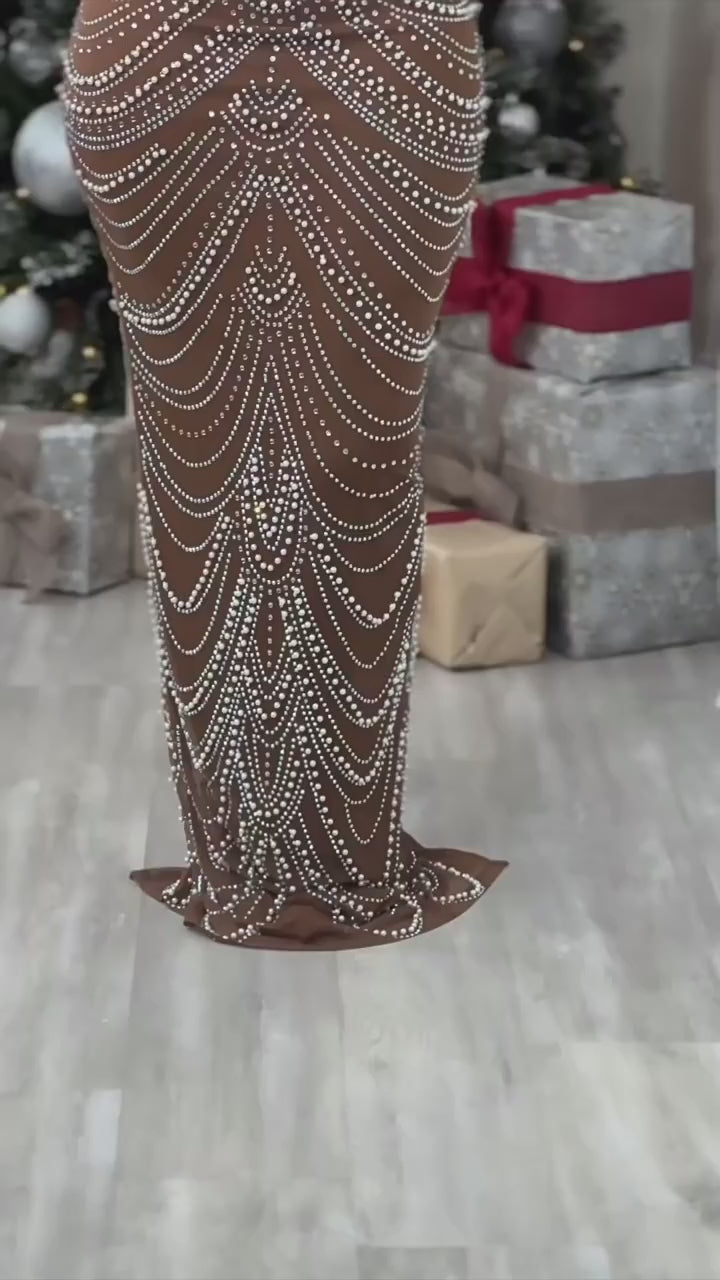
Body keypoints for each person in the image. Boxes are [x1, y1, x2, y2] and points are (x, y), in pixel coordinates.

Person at [64, 0, 506, 950]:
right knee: (196, 469)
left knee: (360, 464)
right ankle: (235, 853)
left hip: (390, 52)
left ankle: (341, 849)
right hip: (163, 51)